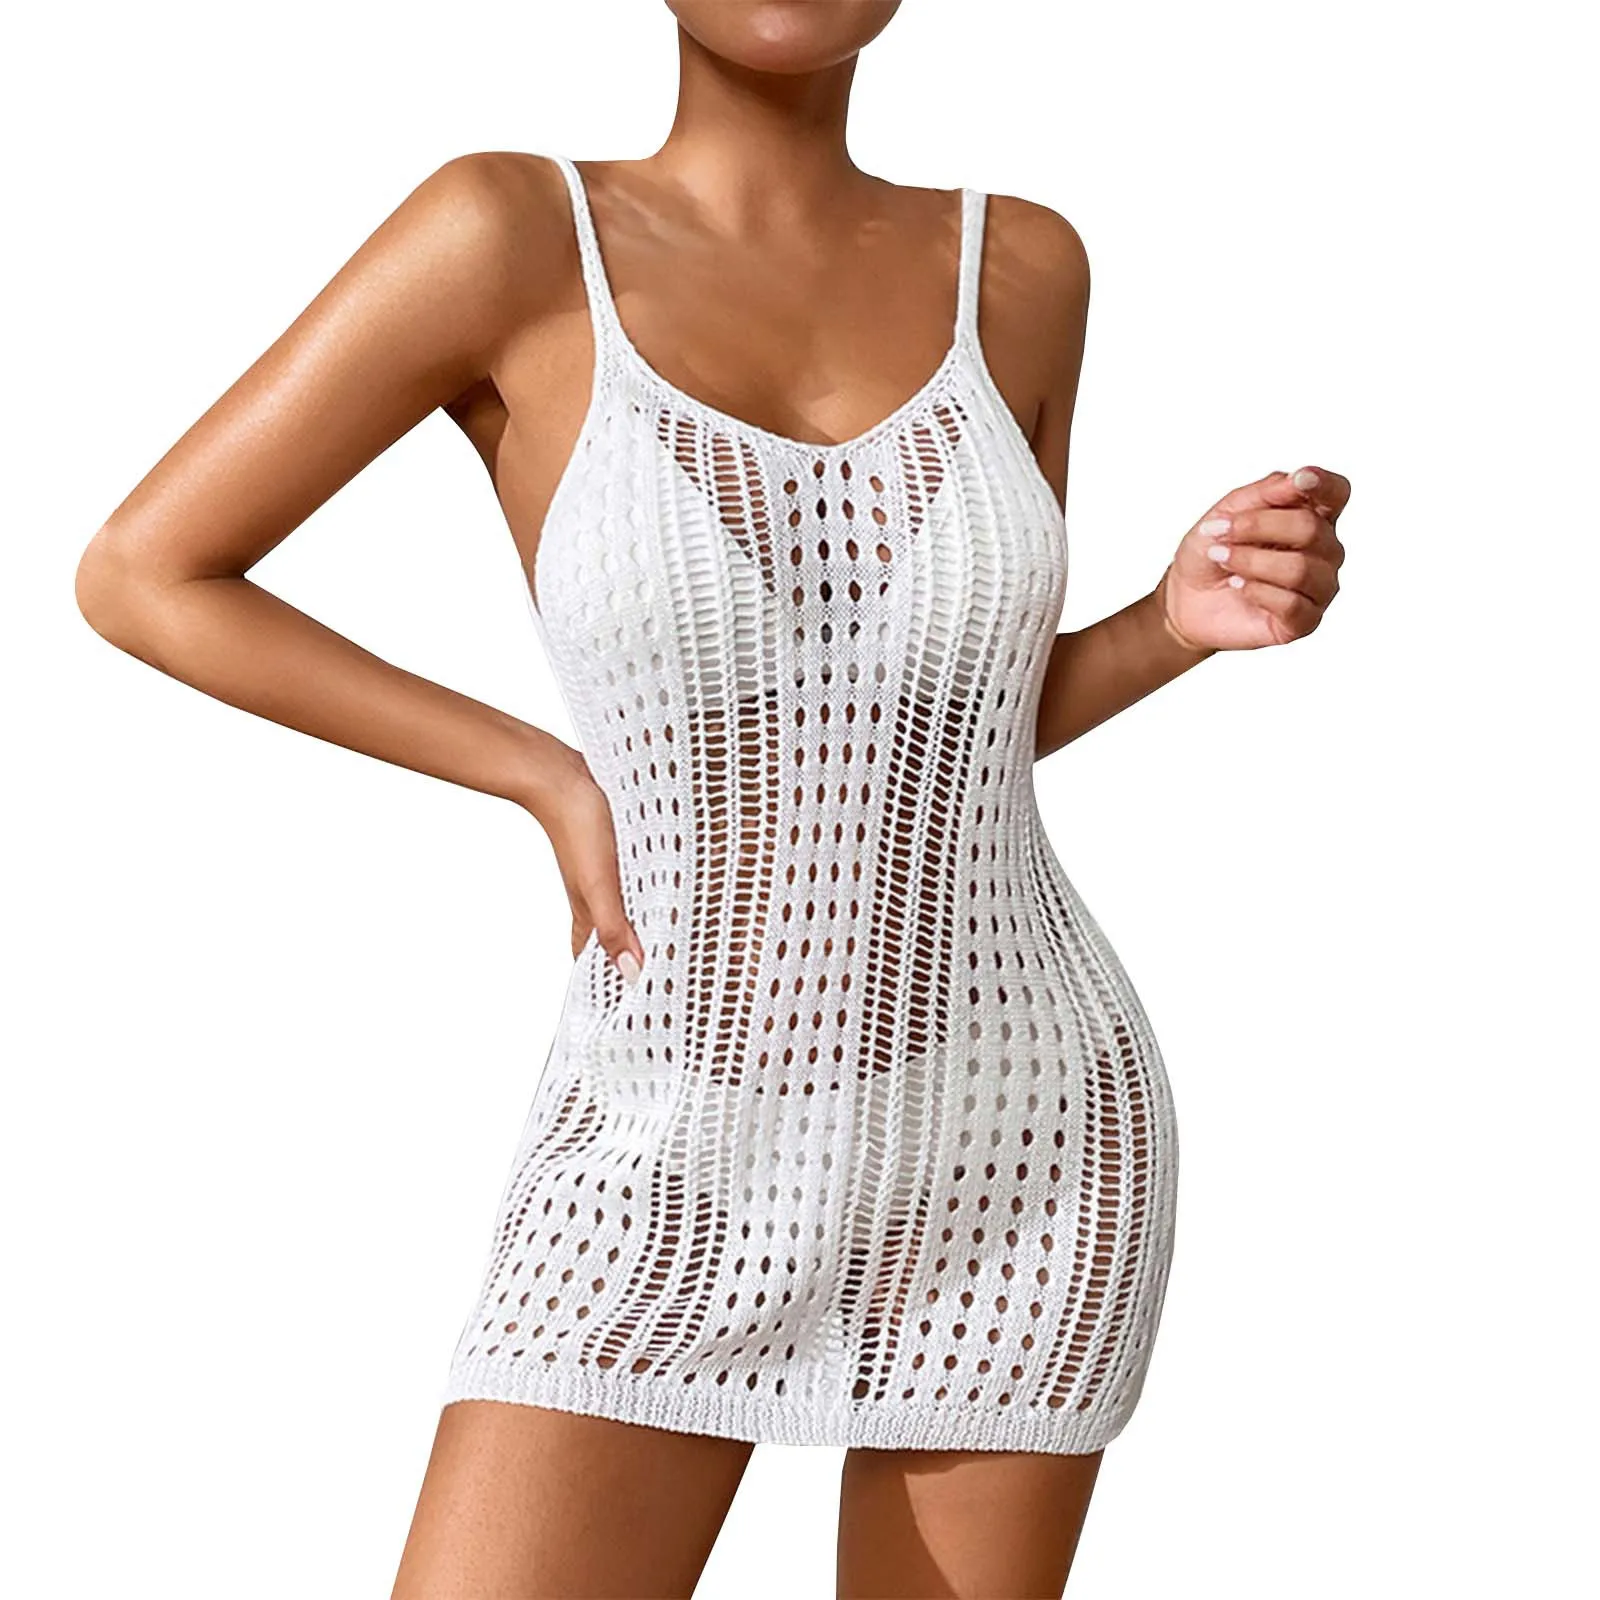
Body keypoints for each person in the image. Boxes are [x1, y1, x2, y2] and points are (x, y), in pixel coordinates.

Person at [74, 2, 1349, 1595]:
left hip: (1019, 1131)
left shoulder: (1025, 265)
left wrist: (1171, 624)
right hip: (668, 1131)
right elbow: (146, 574)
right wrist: (540, 773)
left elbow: (940, 737)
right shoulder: (505, 231)